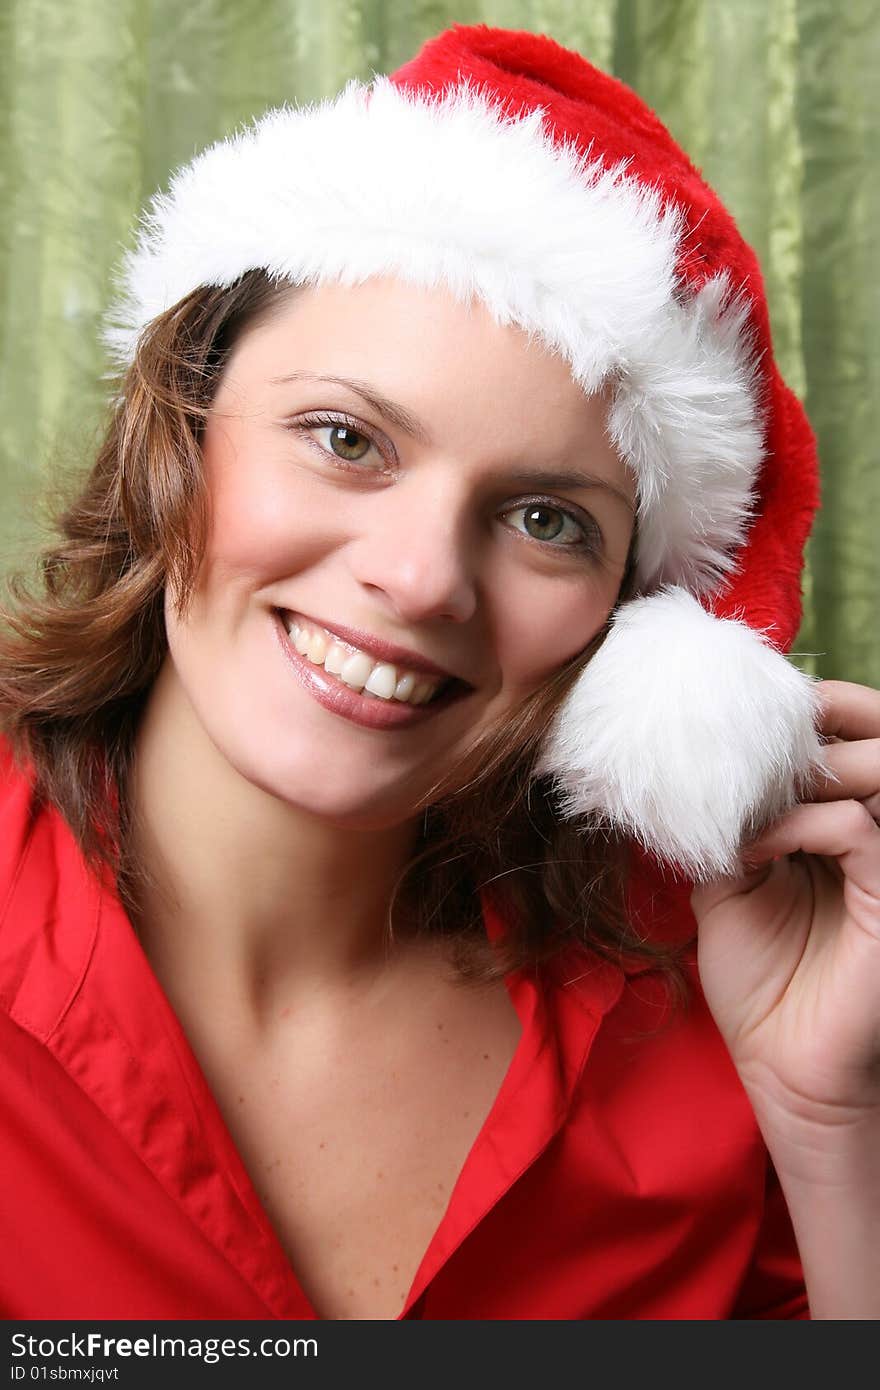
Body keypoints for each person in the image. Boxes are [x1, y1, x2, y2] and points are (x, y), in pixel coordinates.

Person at [0, 23, 877, 1322]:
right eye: (346, 436)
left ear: (634, 634)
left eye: (547, 521)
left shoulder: (724, 1030)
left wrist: (828, 1123)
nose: (421, 579)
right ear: (178, 425)